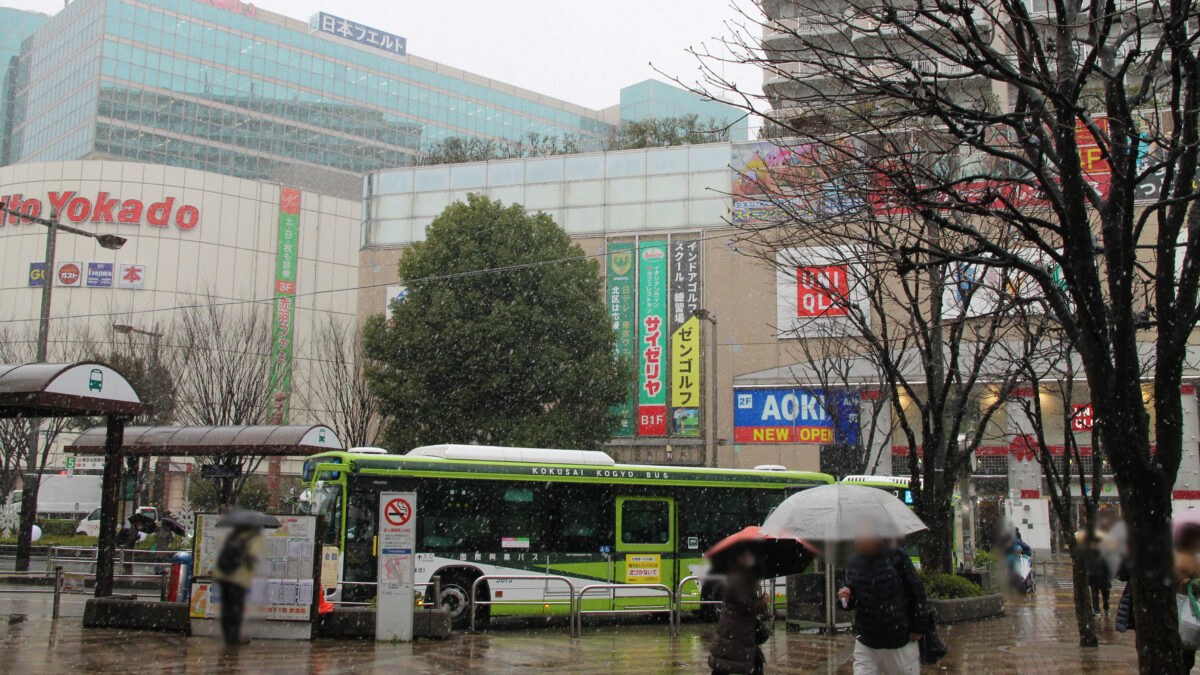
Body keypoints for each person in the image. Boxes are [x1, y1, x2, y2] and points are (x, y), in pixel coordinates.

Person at [838, 526, 929, 675]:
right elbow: (852, 595)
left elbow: (916, 591)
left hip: (898, 640)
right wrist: (846, 598)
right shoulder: (853, 562)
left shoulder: (896, 556)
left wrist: (918, 627)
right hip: (866, 640)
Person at [709, 550, 768, 675]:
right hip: (735, 631)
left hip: (736, 631)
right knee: (725, 662)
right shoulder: (738, 580)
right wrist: (763, 602)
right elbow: (747, 605)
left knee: (726, 662)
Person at [212, 523, 263, 646]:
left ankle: (229, 636)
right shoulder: (245, 542)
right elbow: (248, 561)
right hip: (237, 580)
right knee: (236, 609)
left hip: (225, 579)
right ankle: (234, 637)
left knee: (227, 608)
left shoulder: (231, 539)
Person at [1176, 525, 1200, 670]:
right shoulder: (1182, 559)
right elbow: (1182, 585)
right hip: (1183, 606)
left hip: (1187, 606)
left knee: (1187, 651)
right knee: (1185, 651)